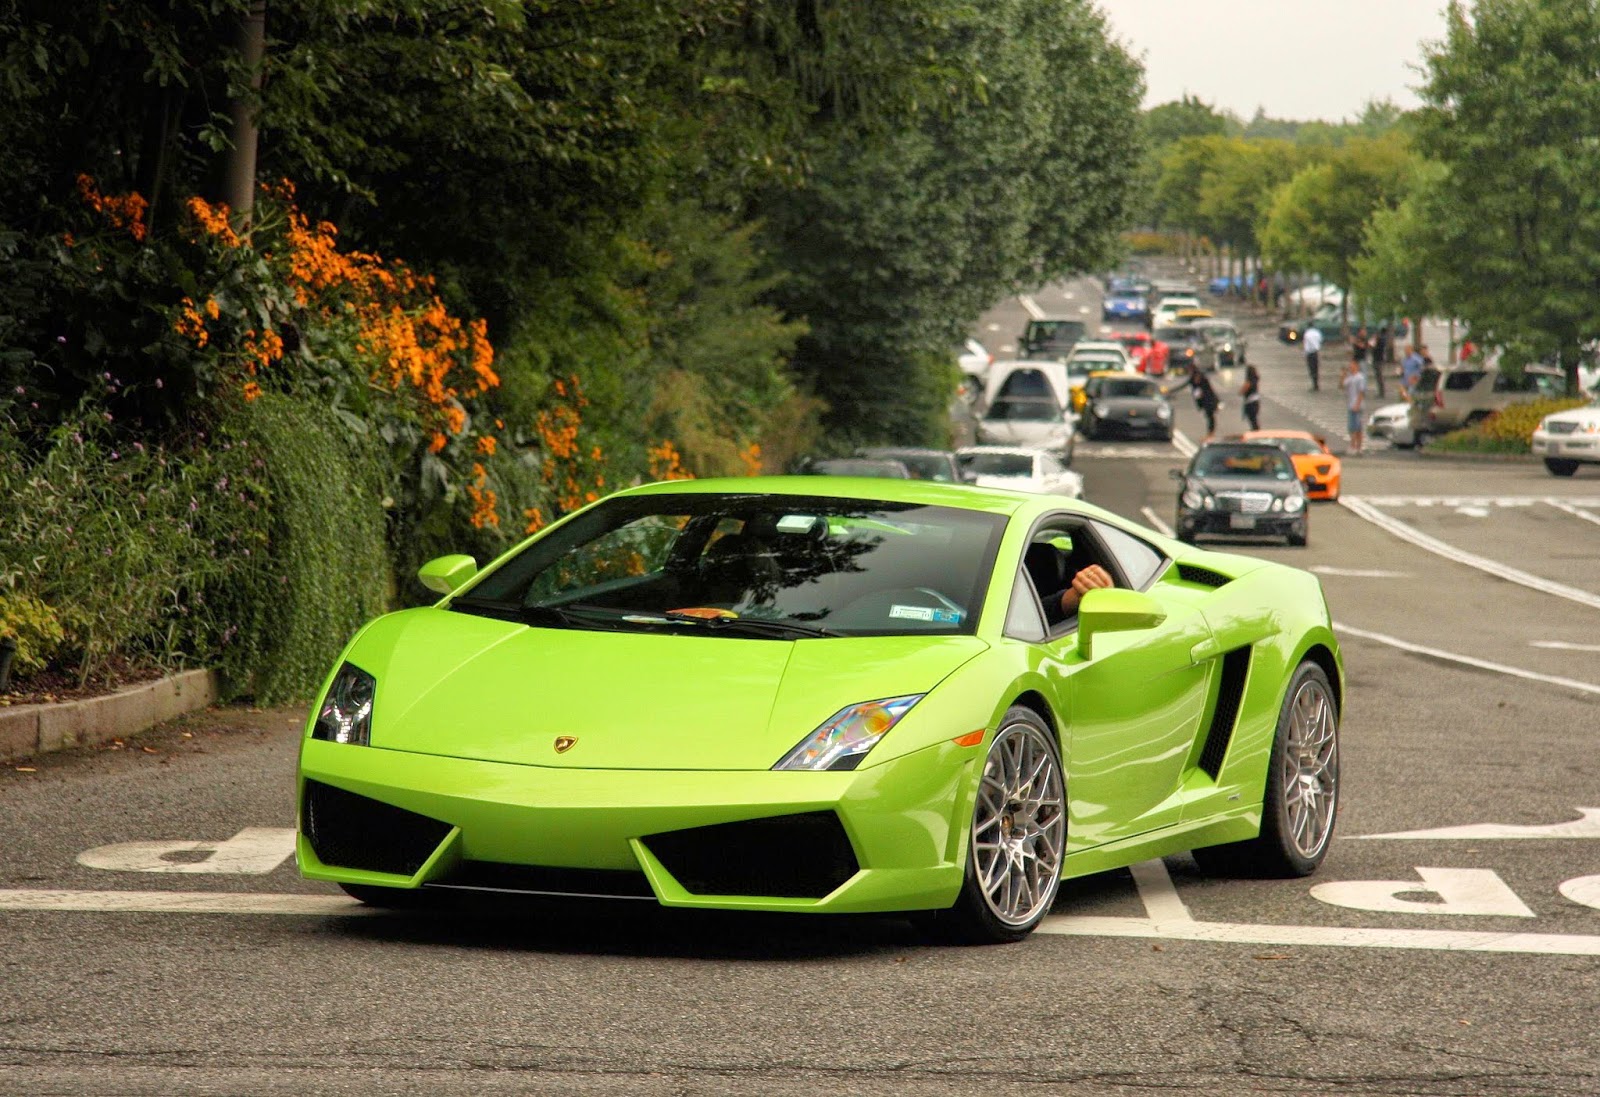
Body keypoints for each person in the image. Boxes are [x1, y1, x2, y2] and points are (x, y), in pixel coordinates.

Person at [1343, 355, 1368, 455]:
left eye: (1352, 365)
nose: (1350, 366)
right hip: (1350, 404)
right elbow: (1341, 385)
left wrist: (1357, 404)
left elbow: (1362, 392)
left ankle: (1357, 447)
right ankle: (1353, 445)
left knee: (1357, 427)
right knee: (1352, 427)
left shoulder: (1360, 377)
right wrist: (1343, 375)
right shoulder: (1350, 377)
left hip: (1357, 405)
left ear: (1357, 366)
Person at [1190, 367, 1219, 442]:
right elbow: (1183, 386)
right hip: (1204, 402)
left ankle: (1211, 433)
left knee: (1211, 417)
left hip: (1210, 401)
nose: (1197, 379)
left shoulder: (1204, 382)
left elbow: (1212, 392)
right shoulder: (1192, 381)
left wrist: (1217, 402)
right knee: (1209, 417)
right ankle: (1210, 433)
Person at [1239, 365, 1262, 431]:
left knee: (1252, 419)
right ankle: (1256, 431)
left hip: (1250, 403)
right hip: (1256, 402)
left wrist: (1241, 391)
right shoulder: (1255, 380)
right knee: (1254, 419)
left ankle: (1256, 432)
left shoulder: (1248, 381)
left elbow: (1242, 391)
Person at [1303, 323, 1323, 391]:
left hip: (1310, 352)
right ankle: (1316, 383)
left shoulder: (1307, 334)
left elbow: (1306, 345)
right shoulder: (1317, 332)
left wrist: (1305, 353)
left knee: (1311, 368)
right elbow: (1320, 340)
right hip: (1316, 352)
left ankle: (1314, 384)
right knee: (1316, 367)